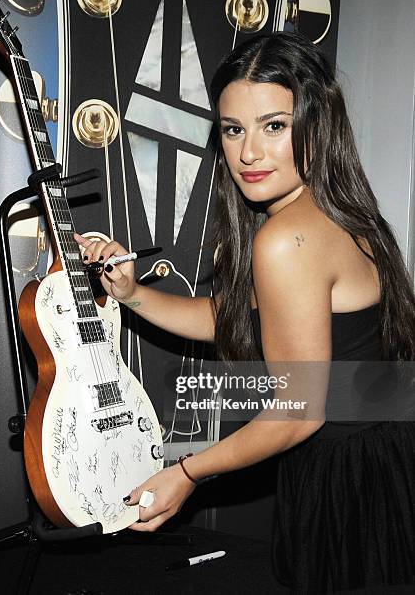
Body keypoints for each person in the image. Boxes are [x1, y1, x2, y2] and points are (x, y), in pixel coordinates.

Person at [74, 32, 415, 593]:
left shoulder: (288, 239)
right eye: (233, 130)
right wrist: (132, 293)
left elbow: (297, 413)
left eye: (274, 126)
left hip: (350, 480)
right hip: (379, 459)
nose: (248, 153)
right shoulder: (339, 210)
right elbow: (231, 319)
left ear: (317, 123)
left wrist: (185, 473)